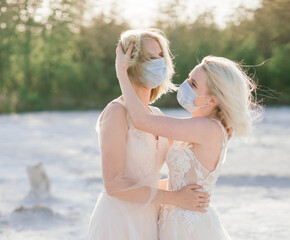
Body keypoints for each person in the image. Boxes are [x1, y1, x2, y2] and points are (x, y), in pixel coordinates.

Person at [116, 42, 261, 239]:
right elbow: (180, 182)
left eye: (193, 84)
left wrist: (122, 72)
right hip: (174, 219)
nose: (185, 85)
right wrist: (131, 191)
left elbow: (142, 120)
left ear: (212, 100)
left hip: (189, 226)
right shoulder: (197, 126)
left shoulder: (208, 128)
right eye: (188, 78)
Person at [89, 29, 210, 240]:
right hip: (119, 220)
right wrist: (174, 198)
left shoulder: (155, 114)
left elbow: (150, 178)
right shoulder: (117, 112)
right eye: (150, 57)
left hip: (150, 217)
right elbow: (113, 185)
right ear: (131, 62)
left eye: (161, 56)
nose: (159, 63)